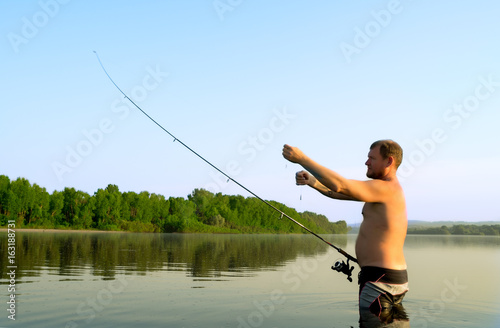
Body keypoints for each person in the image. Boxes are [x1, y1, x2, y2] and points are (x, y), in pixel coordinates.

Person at [282, 140, 409, 324]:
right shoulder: (382, 191)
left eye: (372, 158)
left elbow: (340, 185)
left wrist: (302, 158)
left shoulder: (387, 188)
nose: (366, 162)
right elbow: (336, 192)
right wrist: (312, 182)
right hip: (387, 279)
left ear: (389, 161)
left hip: (380, 281)